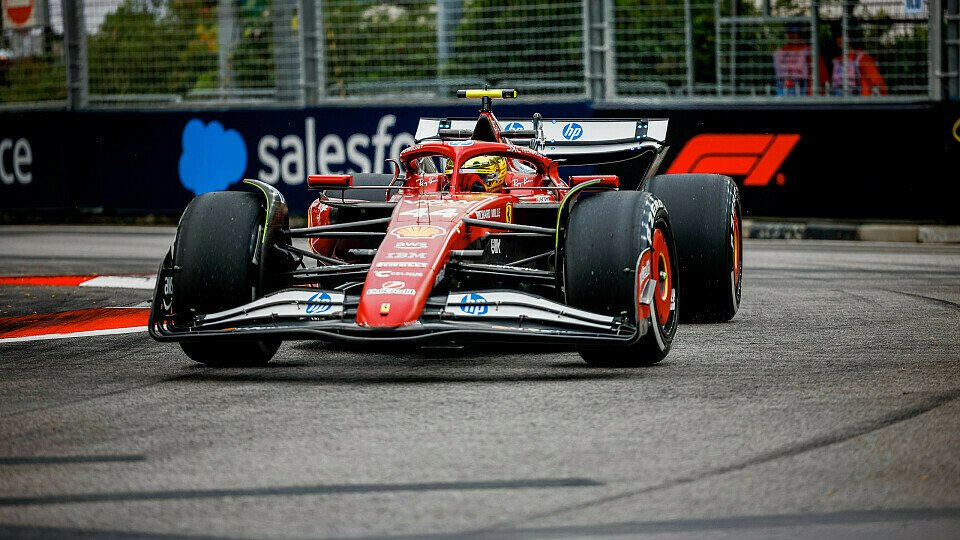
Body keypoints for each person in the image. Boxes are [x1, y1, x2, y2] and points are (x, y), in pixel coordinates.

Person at [830, 22, 887, 96]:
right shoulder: (836, 61)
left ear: (851, 35)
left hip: (860, 104)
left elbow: (878, 84)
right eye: (837, 36)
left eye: (842, 35)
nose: (839, 39)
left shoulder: (862, 58)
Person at [773, 21, 828, 96]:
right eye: (789, 32)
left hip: (803, 96)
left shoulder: (809, 51)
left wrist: (811, 97)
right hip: (783, 94)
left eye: (795, 32)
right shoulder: (780, 52)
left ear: (801, 34)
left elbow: (821, 76)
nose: (792, 36)